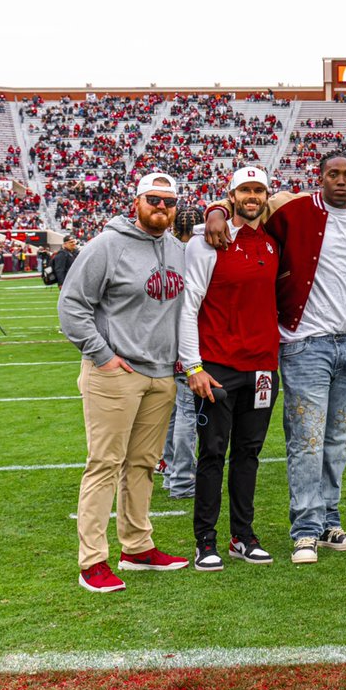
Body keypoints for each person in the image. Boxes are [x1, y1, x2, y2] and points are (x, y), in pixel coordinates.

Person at [205, 151, 346, 564]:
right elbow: (250, 200)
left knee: (339, 441)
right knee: (307, 441)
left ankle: (328, 521)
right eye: (332, 174)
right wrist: (216, 209)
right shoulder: (291, 207)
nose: (340, 180)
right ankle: (304, 529)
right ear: (318, 178)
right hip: (304, 343)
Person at [59, 172, 190, 593]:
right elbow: (72, 305)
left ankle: (136, 547)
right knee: (103, 464)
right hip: (115, 373)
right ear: (136, 201)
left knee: (142, 465)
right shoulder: (107, 245)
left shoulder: (178, 249)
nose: (162, 208)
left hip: (161, 374)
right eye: (154, 199)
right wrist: (103, 356)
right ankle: (92, 561)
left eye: (169, 202)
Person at [179, 168, 280, 571]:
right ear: (232, 195)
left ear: (266, 195)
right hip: (217, 365)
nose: (252, 197)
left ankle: (243, 535)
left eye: (258, 190)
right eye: (244, 190)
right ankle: (206, 540)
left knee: (248, 454)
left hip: (262, 368)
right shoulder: (209, 242)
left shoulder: (273, 243)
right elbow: (188, 308)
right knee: (212, 454)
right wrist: (193, 366)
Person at [162, 207, 204, 498]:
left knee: (174, 413)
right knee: (188, 413)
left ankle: (169, 470)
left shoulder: (168, 251)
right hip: (189, 341)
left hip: (166, 341)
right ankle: (181, 478)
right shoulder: (196, 254)